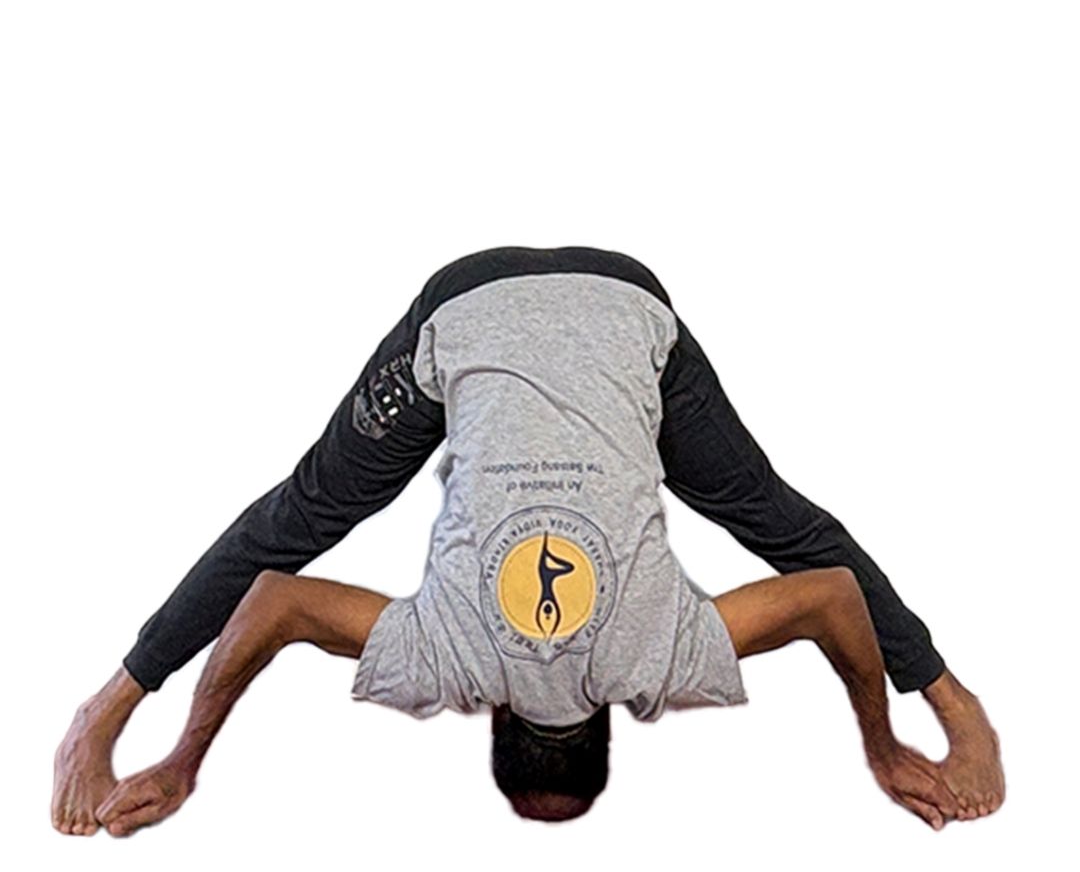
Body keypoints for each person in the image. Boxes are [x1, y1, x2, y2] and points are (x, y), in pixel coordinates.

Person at [52, 245, 1004, 835]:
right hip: (468, 307)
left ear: (611, 720)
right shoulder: (451, 664)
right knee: (298, 522)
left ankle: (962, 712)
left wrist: (887, 744)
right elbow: (278, 603)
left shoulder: (659, 661)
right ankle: (100, 717)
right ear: (493, 716)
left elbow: (828, 593)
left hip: (627, 305)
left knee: (773, 517)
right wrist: (180, 762)